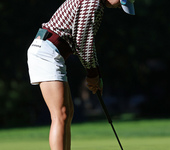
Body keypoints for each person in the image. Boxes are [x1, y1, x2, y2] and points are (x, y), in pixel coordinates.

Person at [27, 0, 135, 150]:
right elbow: (83, 43)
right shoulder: (93, 3)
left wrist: (96, 74)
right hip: (46, 51)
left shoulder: (97, 5)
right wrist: (92, 74)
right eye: (121, 2)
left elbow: (86, 43)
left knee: (67, 113)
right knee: (61, 114)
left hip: (51, 51)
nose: (118, 7)